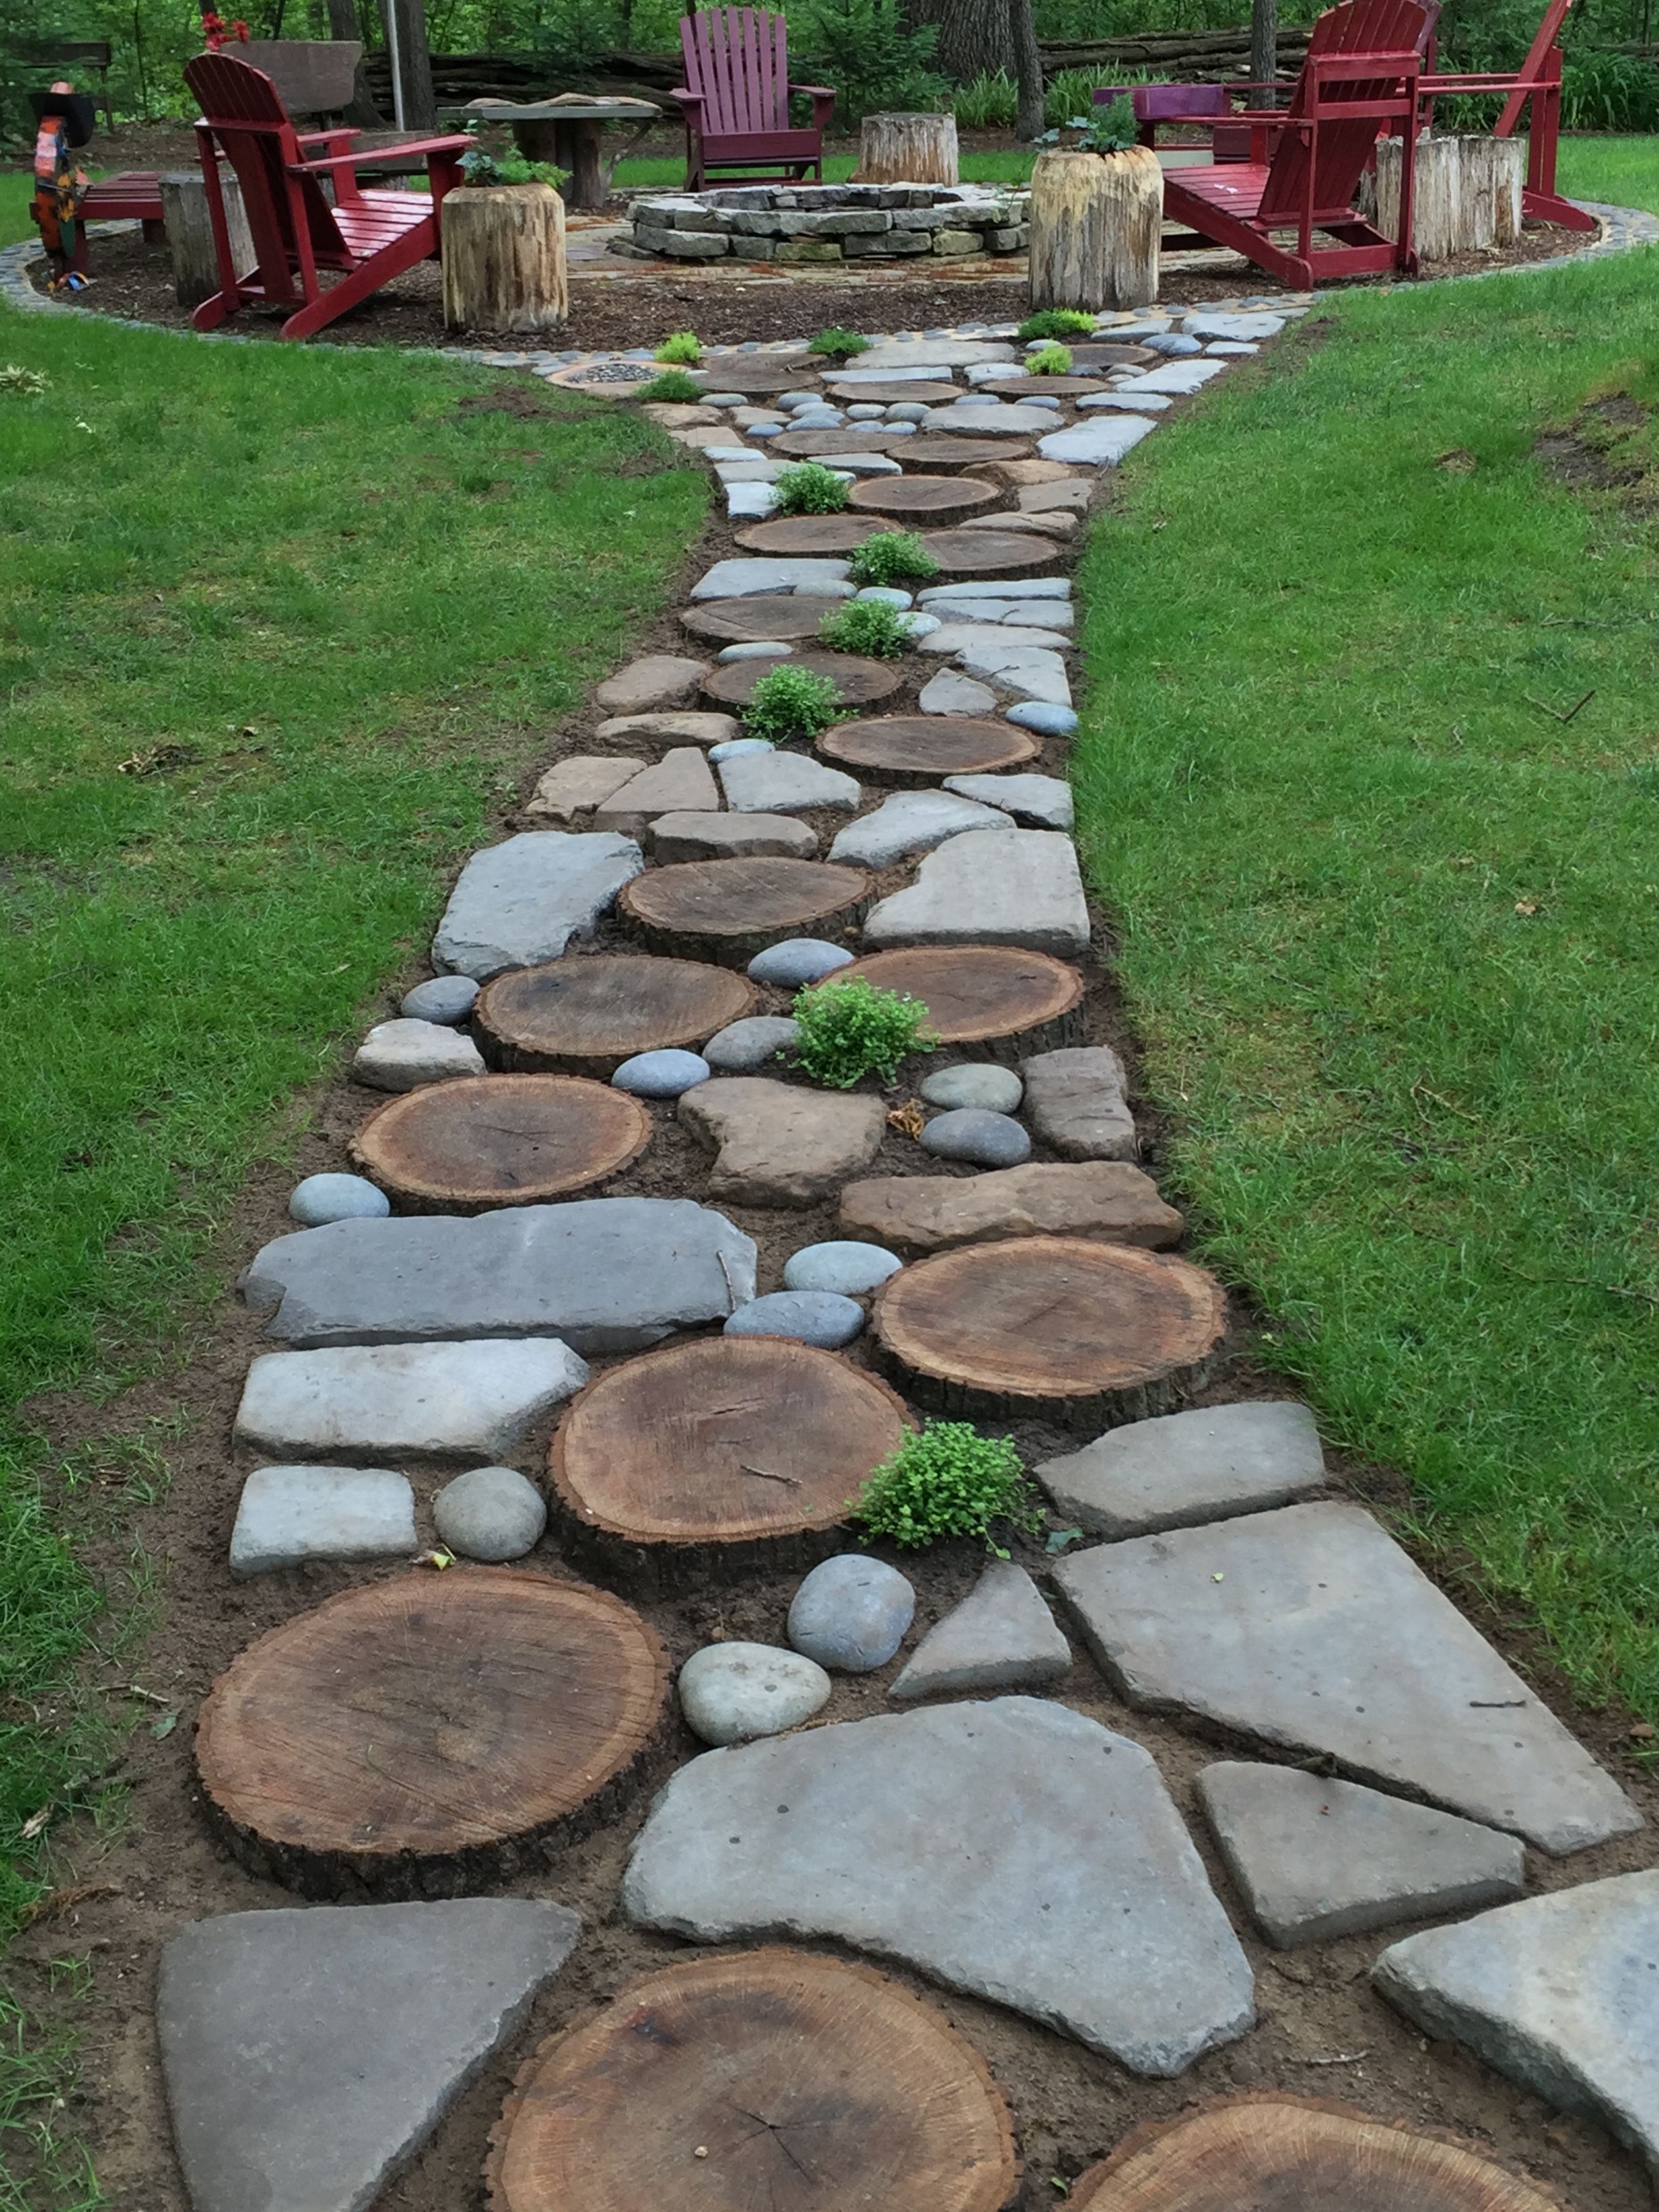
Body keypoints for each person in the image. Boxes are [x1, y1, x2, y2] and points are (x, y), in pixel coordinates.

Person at [28, 81, 96, 292]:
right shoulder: (50, 131)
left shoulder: (53, 129)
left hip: (53, 186)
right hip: (53, 191)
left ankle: (62, 264)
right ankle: (63, 267)